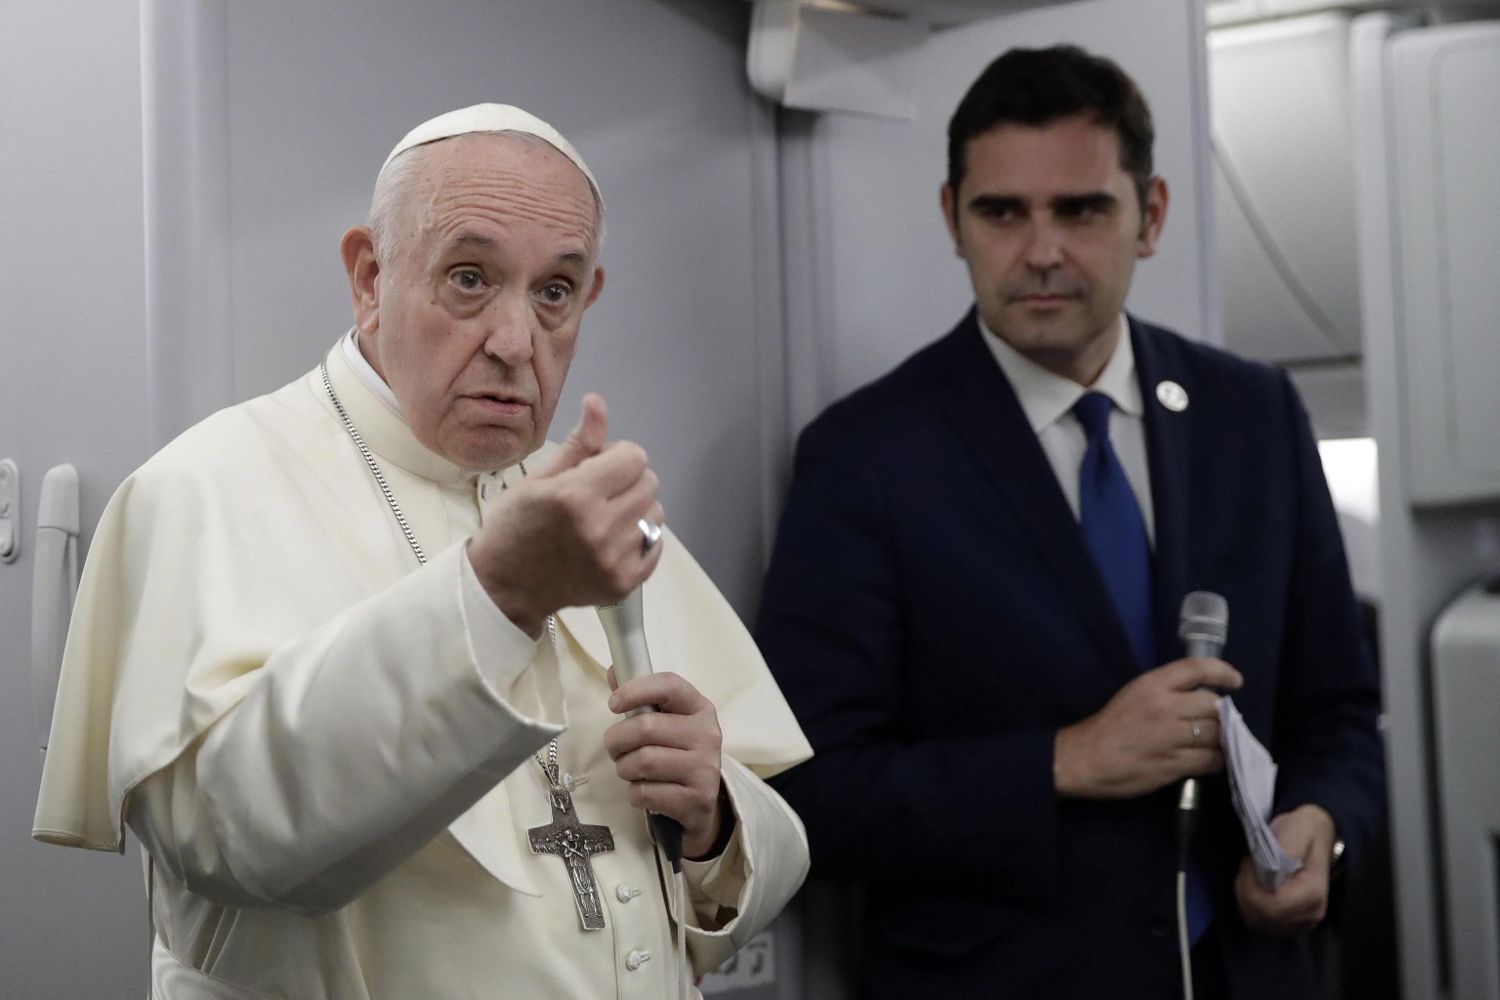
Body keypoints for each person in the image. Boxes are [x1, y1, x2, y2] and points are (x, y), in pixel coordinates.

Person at [34, 103, 811, 999]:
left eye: (554, 292)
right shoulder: (204, 488)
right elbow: (229, 840)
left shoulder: (586, 502)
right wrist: (498, 595)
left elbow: (768, 851)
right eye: (470, 279)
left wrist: (713, 814)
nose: (516, 345)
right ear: (370, 276)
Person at [755, 45, 1384, 999]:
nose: (1041, 251)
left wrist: (1322, 828)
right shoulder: (869, 457)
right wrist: (1063, 761)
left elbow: (1338, 716)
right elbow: (806, 794)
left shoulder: (1252, 415)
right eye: (1002, 213)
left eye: (1081, 210)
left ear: (1152, 215)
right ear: (952, 221)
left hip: (1246, 972)